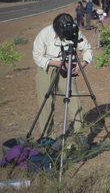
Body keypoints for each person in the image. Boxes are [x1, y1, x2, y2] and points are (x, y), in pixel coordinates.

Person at [32, 13, 92, 143]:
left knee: (73, 98)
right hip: (47, 68)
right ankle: (48, 137)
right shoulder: (45, 34)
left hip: (67, 68)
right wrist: (57, 63)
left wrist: (83, 63)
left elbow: (87, 48)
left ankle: (79, 133)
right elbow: (37, 55)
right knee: (46, 102)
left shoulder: (74, 32)